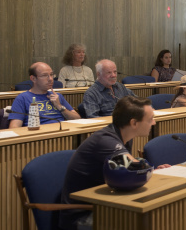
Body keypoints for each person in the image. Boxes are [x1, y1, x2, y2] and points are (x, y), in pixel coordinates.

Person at [60, 96, 169, 230]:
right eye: (150, 119)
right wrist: (151, 170)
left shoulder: (123, 136)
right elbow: (138, 169)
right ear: (134, 123)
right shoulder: (106, 140)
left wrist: (152, 171)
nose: (154, 123)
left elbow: (132, 170)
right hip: (83, 215)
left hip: (105, 204)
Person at [9, 62, 80, 128]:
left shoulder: (57, 96)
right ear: (33, 78)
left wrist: (59, 106)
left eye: (51, 75)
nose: (51, 79)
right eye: (45, 75)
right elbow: (14, 127)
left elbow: (78, 119)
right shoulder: (22, 98)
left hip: (61, 133)